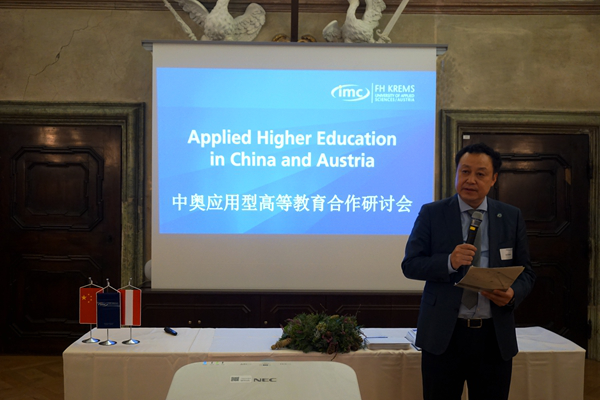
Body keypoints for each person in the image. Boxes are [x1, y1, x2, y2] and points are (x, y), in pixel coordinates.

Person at [402, 143, 536, 400]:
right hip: (444, 336)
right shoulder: (432, 213)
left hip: (493, 337)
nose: (470, 180)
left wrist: (512, 294)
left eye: (480, 174)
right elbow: (410, 264)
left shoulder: (510, 216)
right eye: (465, 171)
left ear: (494, 179)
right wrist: (449, 262)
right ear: (456, 174)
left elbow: (527, 273)